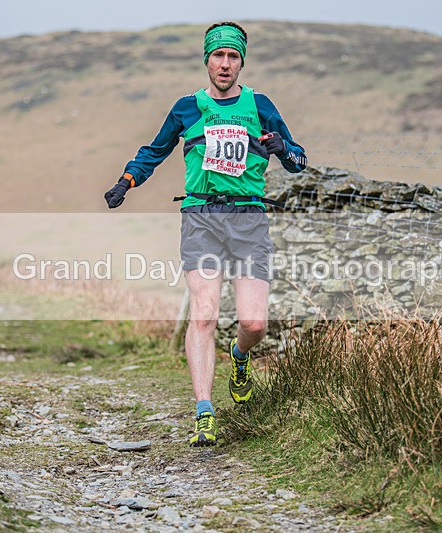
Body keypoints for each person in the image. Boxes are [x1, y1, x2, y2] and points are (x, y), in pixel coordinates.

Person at [105, 21, 307, 447]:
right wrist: (127, 181)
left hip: (249, 219)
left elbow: (298, 161)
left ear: (241, 62)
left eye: (233, 56)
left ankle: (239, 356)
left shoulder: (260, 105)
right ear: (207, 60)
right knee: (205, 313)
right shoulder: (187, 108)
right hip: (201, 217)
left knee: (254, 323)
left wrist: (282, 149)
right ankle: (204, 412)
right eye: (218, 55)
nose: (225, 64)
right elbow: (153, 152)